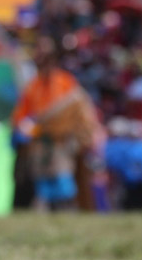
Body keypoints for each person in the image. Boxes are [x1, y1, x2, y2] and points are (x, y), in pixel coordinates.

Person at [11, 36, 100, 211]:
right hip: (39, 144)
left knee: (63, 184)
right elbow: (21, 116)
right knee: (43, 186)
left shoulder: (66, 82)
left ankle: (66, 210)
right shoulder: (33, 86)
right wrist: (26, 127)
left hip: (62, 144)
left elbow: (79, 112)